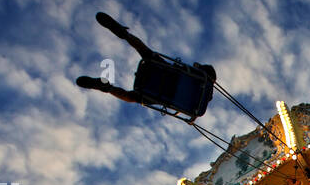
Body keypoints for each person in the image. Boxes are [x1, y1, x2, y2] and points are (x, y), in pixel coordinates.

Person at [76, 12, 216, 114]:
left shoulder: (201, 79)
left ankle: (126, 35)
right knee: (132, 97)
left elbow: (198, 70)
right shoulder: (196, 104)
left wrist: (196, 69)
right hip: (166, 94)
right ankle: (108, 88)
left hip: (169, 75)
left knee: (145, 51)